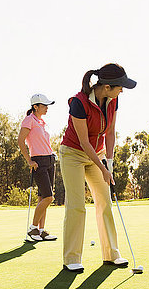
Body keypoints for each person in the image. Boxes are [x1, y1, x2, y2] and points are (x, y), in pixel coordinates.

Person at [59, 63, 137, 272]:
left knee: (105, 201)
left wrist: (109, 163)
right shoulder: (79, 102)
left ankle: (111, 254)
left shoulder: (113, 100)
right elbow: (84, 141)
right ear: (107, 86)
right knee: (77, 205)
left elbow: (110, 132)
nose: (122, 90)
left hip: (98, 153)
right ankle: (71, 258)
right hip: (73, 153)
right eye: (120, 86)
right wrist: (103, 169)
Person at [18, 93, 57, 241]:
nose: (47, 108)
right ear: (35, 106)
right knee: (49, 197)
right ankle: (32, 229)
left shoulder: (41, 122)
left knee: (42, 197)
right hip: (38, 161)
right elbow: (20, 141)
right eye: (44, 105)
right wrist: (29, 161)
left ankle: (41, 230)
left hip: (49, 160)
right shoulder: (29, 120)